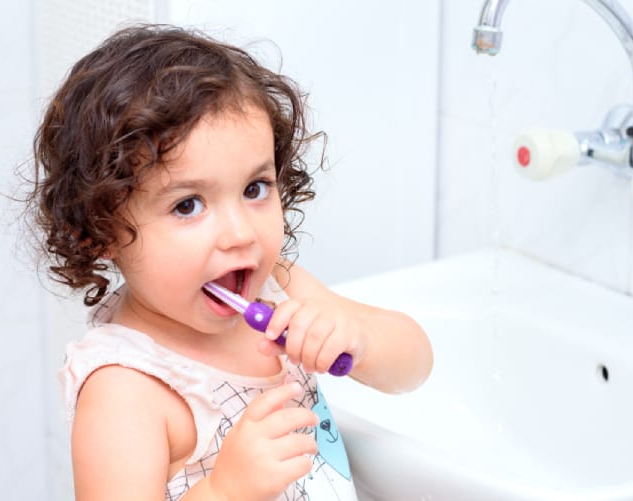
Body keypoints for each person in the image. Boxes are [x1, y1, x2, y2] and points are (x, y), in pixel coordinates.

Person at [27, 24, 432, 501]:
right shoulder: (126, 388)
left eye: (254, 189)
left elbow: (415, 368)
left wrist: (360, 340)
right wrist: (225, 490)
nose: (240, 234)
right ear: (101, 232)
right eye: (187, 205)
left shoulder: (280, 290)